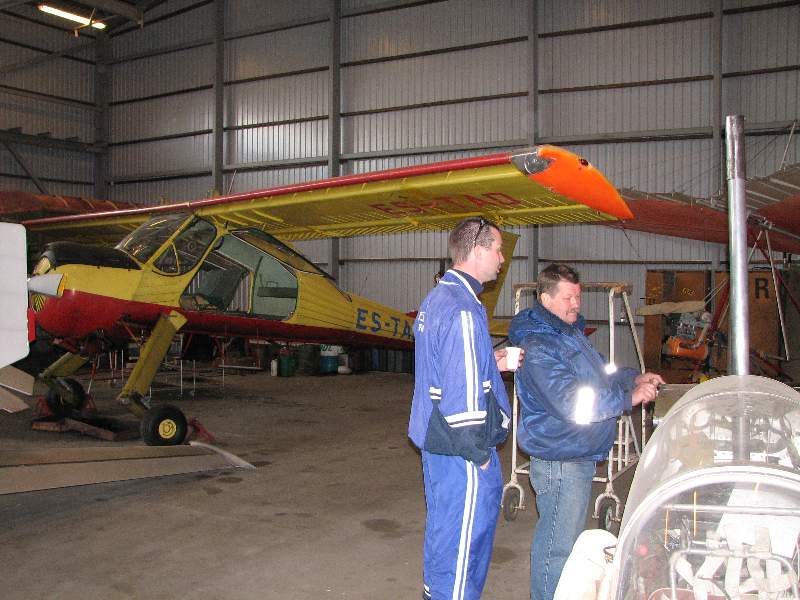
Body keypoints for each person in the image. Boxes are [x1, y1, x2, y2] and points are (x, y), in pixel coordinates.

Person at [508, 263, 663, 600]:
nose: (576, 304)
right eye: (568, 298)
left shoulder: (569, 334)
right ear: (546, 299)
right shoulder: (540, 347)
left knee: (565, 542)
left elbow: (602, 372)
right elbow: (572, 403)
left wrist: (632, 378)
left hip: (576, 453)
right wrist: (628, 398)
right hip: (561, 458)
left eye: (577, 296)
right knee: (557, 548)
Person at [408, 217, 520, 600]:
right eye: (498, 250)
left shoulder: (438, 298)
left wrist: (490, 362)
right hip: (462, 452)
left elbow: (445, 369)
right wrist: (481, 456)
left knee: (446, 537)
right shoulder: (463, 310)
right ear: (478, 251)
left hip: (439, 446)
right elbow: (461, 401)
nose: (502, 259)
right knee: (463, 552)